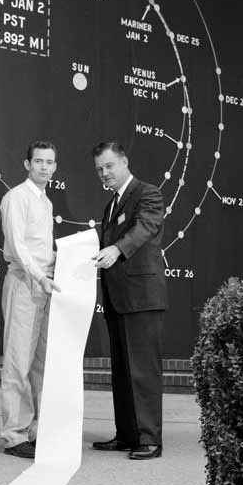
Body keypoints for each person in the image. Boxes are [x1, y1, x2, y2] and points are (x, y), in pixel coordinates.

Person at [91, 141, 167, 460]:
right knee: (122, 371)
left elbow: (144, 228)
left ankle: (149, 438)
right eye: (99, 169)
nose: (104, 173)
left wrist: (117, 249)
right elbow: (100, 246)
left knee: (143, 370)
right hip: (117, 298)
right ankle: (126, 434)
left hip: (142, 297)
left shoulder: (148, 193)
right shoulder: (110, 206)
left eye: (109, 166)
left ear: (124, 161)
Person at [0, 141, 60, 459]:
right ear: (27, 164)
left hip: (44, 285)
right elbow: (19, 247)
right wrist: (40, 277)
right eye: (39, 161)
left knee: (39, 363)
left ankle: (34, 430)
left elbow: (41, 248)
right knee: (17, 361)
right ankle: (14, 435)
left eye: (50, 162)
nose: (44, 167)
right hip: (25, 283)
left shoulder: (46, 202)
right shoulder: (16, 198)